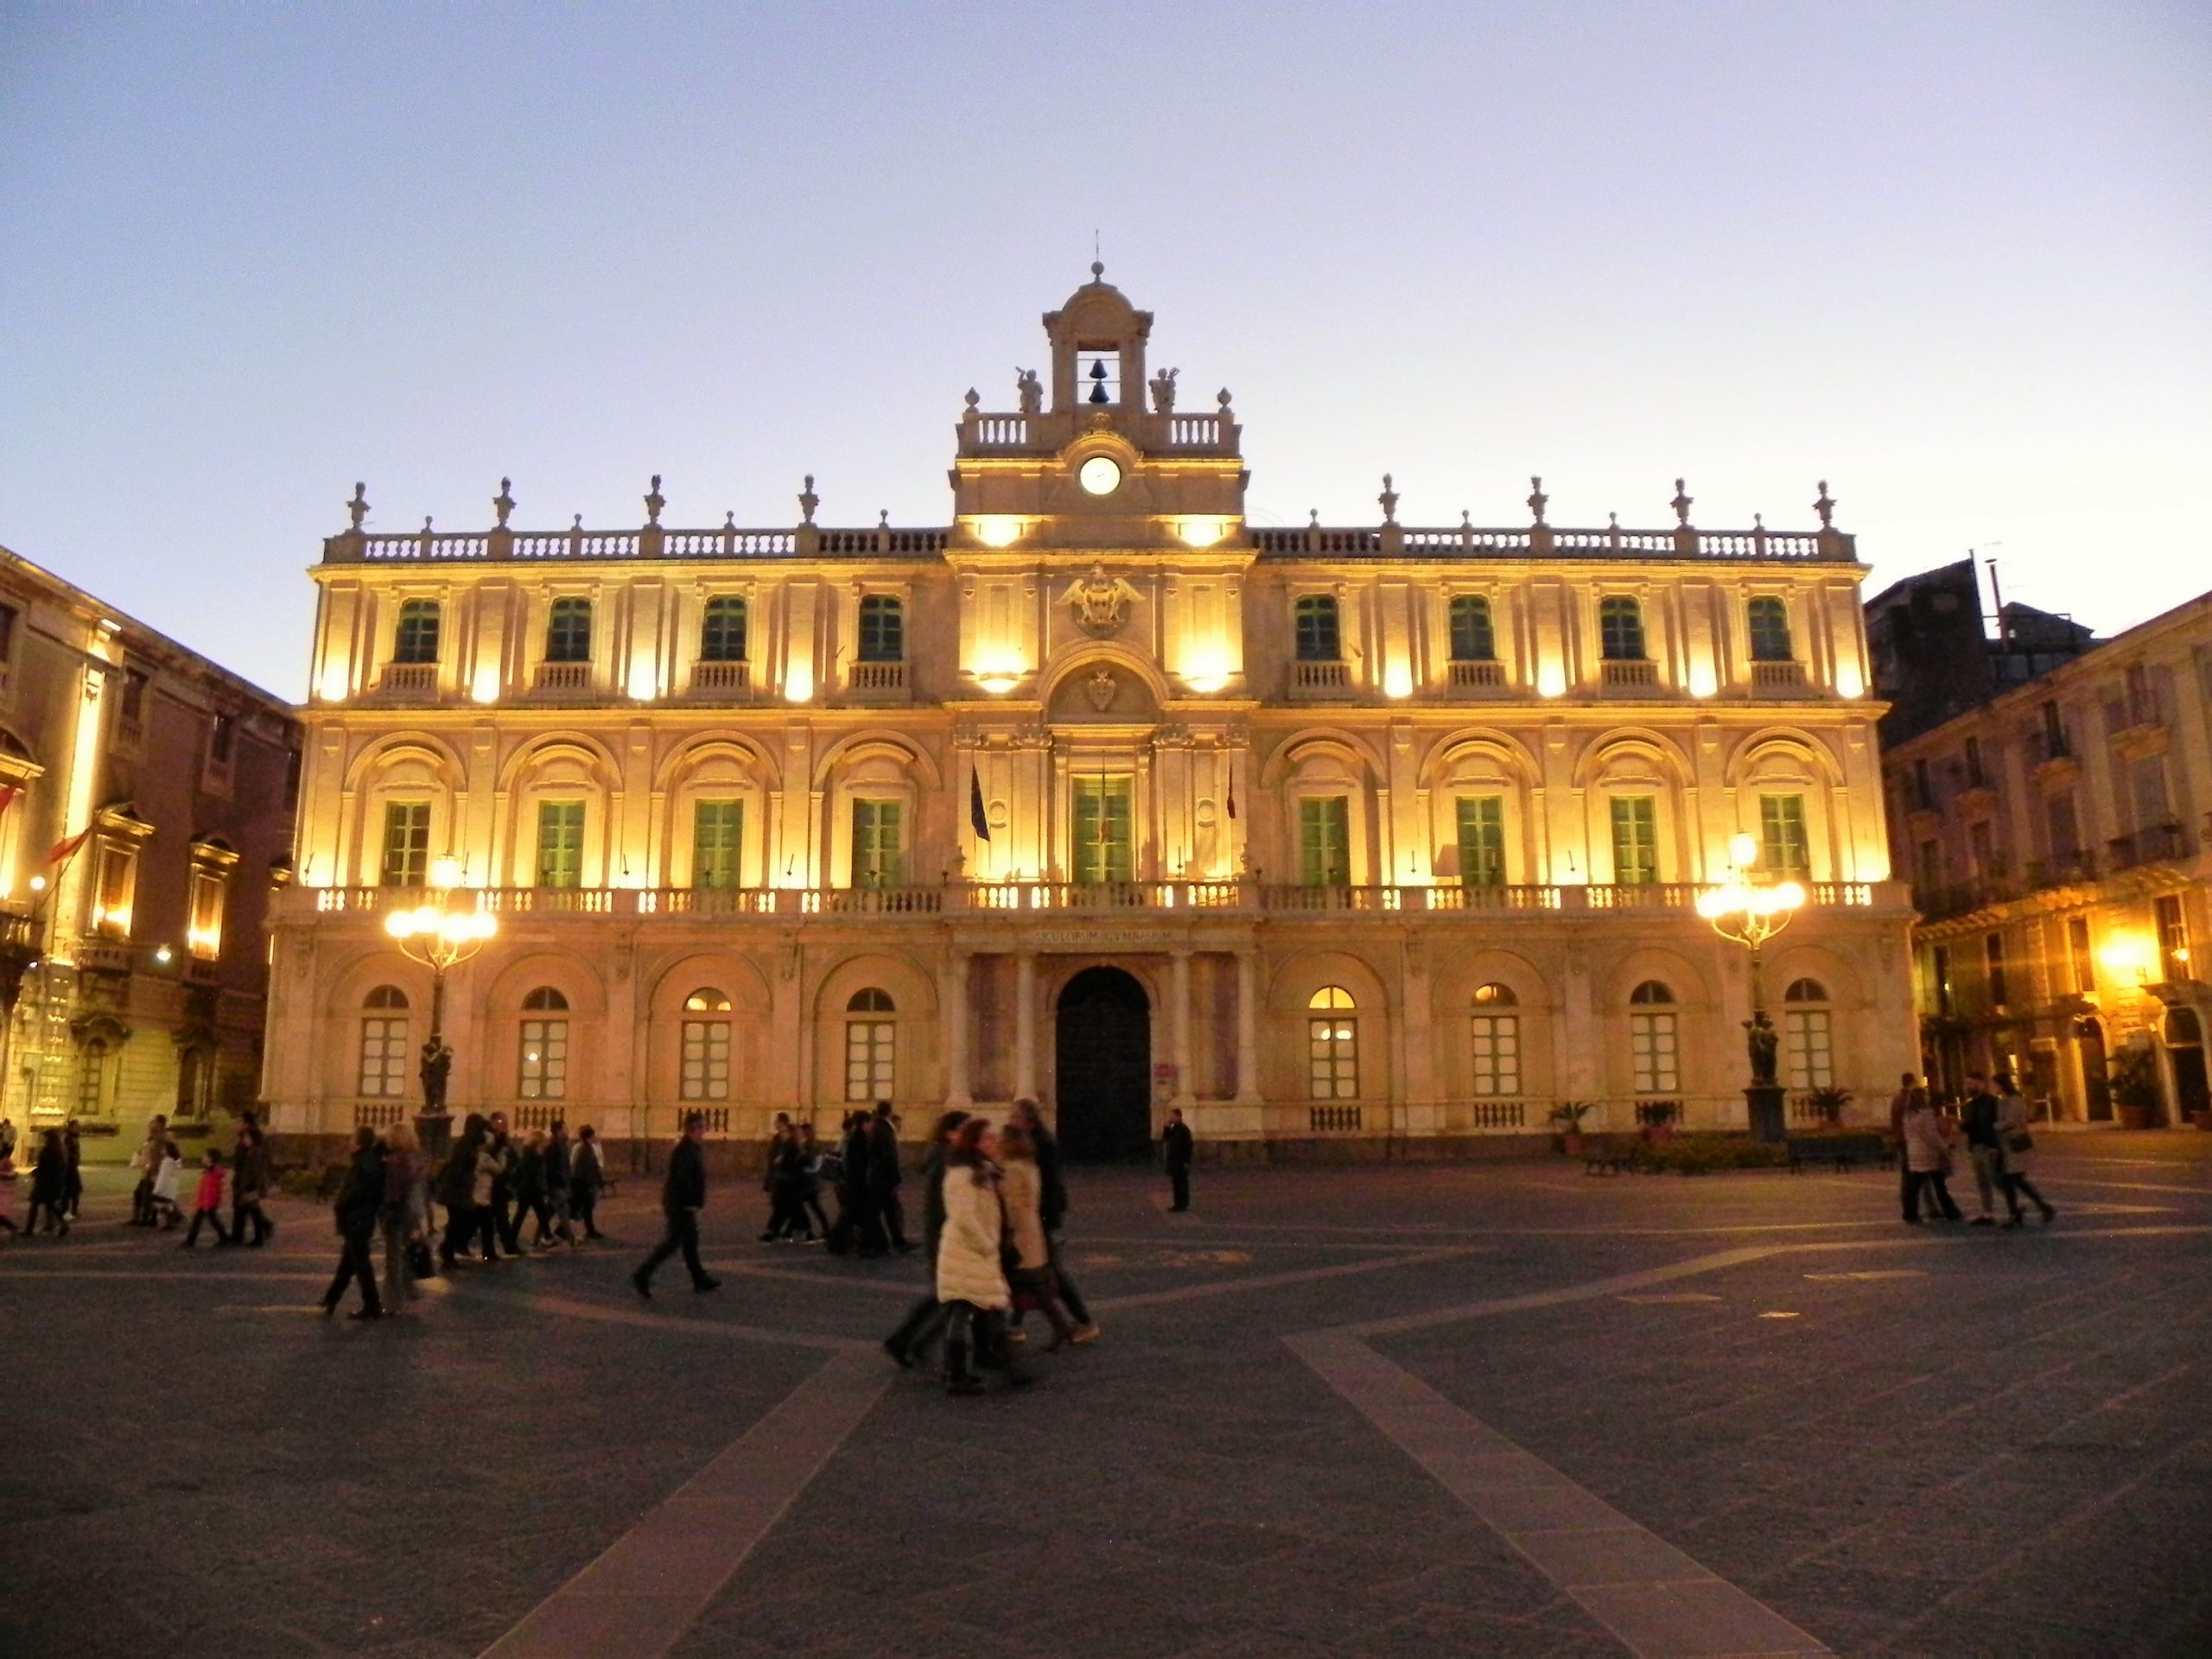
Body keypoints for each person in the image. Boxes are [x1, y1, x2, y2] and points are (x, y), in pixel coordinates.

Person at [935, 1117, 1025, 1395]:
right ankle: (957, 1375)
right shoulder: (961, 1174)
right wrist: (987, 1245)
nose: (995, 1143)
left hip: (978, 1251)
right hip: (967, 1251)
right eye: (989, 1138)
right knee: (963, 1311)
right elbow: (964, 1217)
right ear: (974, 1141)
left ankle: (993, 1367)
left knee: (986, 1307)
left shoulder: (981, 1169)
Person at [882, 1109, 969, 1369]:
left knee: (943, 1298)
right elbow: (946, 1207)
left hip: (941, 1238)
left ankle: (904, 1341)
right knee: (955, 1299)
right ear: (951, 1133)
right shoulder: (947, 1162)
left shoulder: (943, 1158)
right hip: (945, 1239)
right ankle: (912, 1343)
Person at [1009, 1098, 1099, 1344]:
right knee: (1023, 1270)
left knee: (1047, 1271)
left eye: (1014, 1117)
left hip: (1040, 1217)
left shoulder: (1038, 1144)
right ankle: (1015, 1325)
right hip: (1038, 1217)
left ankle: (1083, 1321)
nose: (1009, 1121)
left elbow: (1043, 1187)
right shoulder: (1034, 1141)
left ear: (1027, 1121)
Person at [998, 1122, 1077, 1349]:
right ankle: (1050, 1326)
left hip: (1019, 1234)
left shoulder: (1012, 1169)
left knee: (1025, 1282)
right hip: (1031, 1230)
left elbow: (1012, 1206)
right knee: (1031, 1283)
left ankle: (1014, 1329)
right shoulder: (1029, 1165)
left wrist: (1005, 1232)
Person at [632, 1112, 720, 1299]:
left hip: (683, 1204)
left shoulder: (692, 1148)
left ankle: (699, 1278)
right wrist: (690, 1202)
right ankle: (642, 1275)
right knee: (672, 1244)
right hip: (681, 1204)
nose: (704, 1131)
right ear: (693, 1129)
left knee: (690, 1243)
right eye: (702, 1127)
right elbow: (682, 1179)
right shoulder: (685, 1150)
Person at [322, 1126, 386, 1319]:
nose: (350, 1141)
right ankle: (332, 1298)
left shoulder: (363, 1164)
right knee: (349, 1262)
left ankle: (372, 1305)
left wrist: (341, 1205)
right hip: (361, 1219)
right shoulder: (369, 1162)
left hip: (357, 1219)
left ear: (359, 1143)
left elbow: (355, 1192)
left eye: (352, 1138)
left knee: (360, 1264)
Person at [1994, 1071, 2057, 1226]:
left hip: (2015, 1144)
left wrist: (1996, 1126)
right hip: (2006, 1145)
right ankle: (2029, 1210)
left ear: (2002, 1085)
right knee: (2012, 1180)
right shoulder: (2004, 1100)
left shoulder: (2015, 1100)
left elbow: (2011, 1121)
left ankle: (2028, 1211)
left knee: (2013, 1179)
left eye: (1995, 1085)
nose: (1994, 1088)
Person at [379, 1120, 425, 1307]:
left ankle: (393, 1301)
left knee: (394, 1258)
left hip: (396, 1214)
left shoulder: (395, 1162)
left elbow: (393, 1192)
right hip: (409, 1213)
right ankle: (408, 1288)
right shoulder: (412, 1159)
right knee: (403, 1253)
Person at [1899, 1089, 1962, 1224]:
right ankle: (1951, 1211)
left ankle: (1910, 1213)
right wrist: (1943, 1148)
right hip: (1928, 1153)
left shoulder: (1908, 1115)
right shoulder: (1926, 1114)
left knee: (1914, 1186)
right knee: (1939, 1184)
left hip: (1914, 1152)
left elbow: (1908, 1135)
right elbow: (1931, 1135)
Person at [436, 1114, 486, 1269]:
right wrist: (466, 1179)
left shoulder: (470, 1144)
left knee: (460, 1221)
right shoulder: (464, 1145)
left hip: (461, 1190)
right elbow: (457, 1168)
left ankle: (448, 1250)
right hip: (457, 1191)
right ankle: (448, 1252)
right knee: (458, 1222)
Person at [1960, 1072, 2005, 1227]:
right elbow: (1970, 1126)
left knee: (1996, 1179)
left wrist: (1995, 1145)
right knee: (1982, 1181)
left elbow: (1996, 1124)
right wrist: (1961, 1125)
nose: (1968, 1087)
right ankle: (1988, 1213)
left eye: (1971, 1083)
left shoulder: (1993, 1102)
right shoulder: (1969, 1105)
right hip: (1976, 1146)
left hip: (1989, 1146)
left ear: (1981, 1084)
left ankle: (2014, 1207)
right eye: (1966, 1084)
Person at [868, 1103, 912, 1254]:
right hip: (883, 1178)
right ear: (889, 1111)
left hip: (880, 1177)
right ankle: (876, 1243)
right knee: (877, 1211)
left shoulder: (878, 1127)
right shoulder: (884, 1129)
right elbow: (889, 1156)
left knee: (888, 1210)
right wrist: (897, 1180)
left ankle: (896, 1241)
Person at [227, 1117, 274, 1247]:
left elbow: (255, 1172)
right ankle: (254, 1237)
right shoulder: (252, 1152)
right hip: (249, 1186)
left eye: (247, 1138)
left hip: (251, 1187)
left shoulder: (255, 1153)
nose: (244, 1140)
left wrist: (249, 1187)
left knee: (254, 1212)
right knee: (252, 1211)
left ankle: (257, 1238)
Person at [474, 1116, 512, 1262]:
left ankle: (490, 1251)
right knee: (486, 1224)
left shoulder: (481, 1154)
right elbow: (500, 1169)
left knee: (486, 1223)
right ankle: (489, 1252)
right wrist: (502, 1155)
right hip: (484, 1194)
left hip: (484, 1193)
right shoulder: (485, 1157)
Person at [1886, 1072, 1923, 1222]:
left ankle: (1909, 1211)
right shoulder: (1910, 1100)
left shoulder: (1897, 1100)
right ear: (1912, 1083)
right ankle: (1911, 1212)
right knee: (1912, 1177)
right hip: (1910, 1141)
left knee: (1907, 1176)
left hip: (1902, 1140)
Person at [178, 1148, 231, 1247]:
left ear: (210, 1158)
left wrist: (206, 1203)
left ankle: (191, 1240)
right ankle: (223, 1236)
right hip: (206, 1201)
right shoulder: (210, 1171)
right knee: (208, 1220)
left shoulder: (213, 1172)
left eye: (205, 1156)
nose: (203, 1158)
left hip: (208, 1202)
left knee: (204, 1220)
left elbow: (210, 1190)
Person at [486, 1114, 520, 1254]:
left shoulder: (505, 1140)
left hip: (500, 1184)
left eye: (505, 1123)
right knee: (487, 1219)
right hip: (489, 1183)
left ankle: (508, 1246)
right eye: (500, 1122)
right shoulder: (489, 1138)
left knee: (502, 1217)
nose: (504, 1126)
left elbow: (514, 1159)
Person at [27, 1128, 69, 1236]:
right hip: (55, 1182)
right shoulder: (60, 1150)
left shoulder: (47, 1151)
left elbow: (44, 1167)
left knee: (35, 1205)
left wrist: (36, 1172)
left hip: (44, 1182)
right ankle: (63, 1223)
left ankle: (29, 1229)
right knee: (50, 1205)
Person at [128, 1115, 169, 1226]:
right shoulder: (152, 1139)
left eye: (154, 1125)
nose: (150, 1128)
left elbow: (159, 1156)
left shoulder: (161, 1139)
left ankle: (148, 1219)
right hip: (147, 1171)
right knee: (142, 1194)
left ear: (160, 1125)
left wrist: (155, 1170)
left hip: (153, 1172)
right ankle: (145, 1219)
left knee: (148, 1196)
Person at [542, 1121, 578, 1249]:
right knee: (564, 1215)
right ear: (558, 1132)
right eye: (565, 1129)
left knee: (547, 1214)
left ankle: (536, 1241)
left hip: (560, 1186)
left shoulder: (562, 1146)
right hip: (557, 1187)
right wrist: (563, 1182)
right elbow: (552, 1169)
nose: (567, 1131)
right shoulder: (553, 1148)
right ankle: (573, 1243)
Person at [570, 1124, 607, 1240]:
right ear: (588, 1137)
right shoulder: (582, 1148)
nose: (595, 1137)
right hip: (582, 1184)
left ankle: (590, 1230)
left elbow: (594, 1165)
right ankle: (588, 1231)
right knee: (581, 1208)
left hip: (585, 1183)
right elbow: (579, 1168)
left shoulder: (588, 1147)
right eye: (593, 1135)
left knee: (585, 1207)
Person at [1161, 1107, 1194, 1212]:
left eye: (1173, 1116)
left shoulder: (1184, 1130)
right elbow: (1166, 1139)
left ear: (1179, 1116)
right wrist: (1166, 1127)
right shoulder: (1174, 1128)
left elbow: (1188, 1146)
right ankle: (1178, 1203)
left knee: (1182, 1183)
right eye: (1170, 1116)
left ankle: (1183, 1204)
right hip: (1174, 1160)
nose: (1171, 1118)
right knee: (1176, 1183)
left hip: (1181, 1161)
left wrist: (1187, 1161)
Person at [150, 1137, 184, 1229]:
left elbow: (163, 1177)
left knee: (159, 1203)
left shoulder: (166, 1162)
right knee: (168, 1204)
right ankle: (171, 1221)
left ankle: (174, 1217)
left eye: (163, 1148)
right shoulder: (174, 1161)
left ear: (167, 1150)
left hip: (165, 1187)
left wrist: (157, 1189)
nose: (162, 1150)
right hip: (172, 1186)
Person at [60, 1119, 83, 1220]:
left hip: (72, 1167)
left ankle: (72, 1211)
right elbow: (66, 1153)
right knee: (69, 1190)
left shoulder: (73, 1138)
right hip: (69, 1168)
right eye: (77, 1127)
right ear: (71, 1127)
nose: (79, 1128)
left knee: (75, 1190)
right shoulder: (69, 1139)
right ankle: (66, 1211)